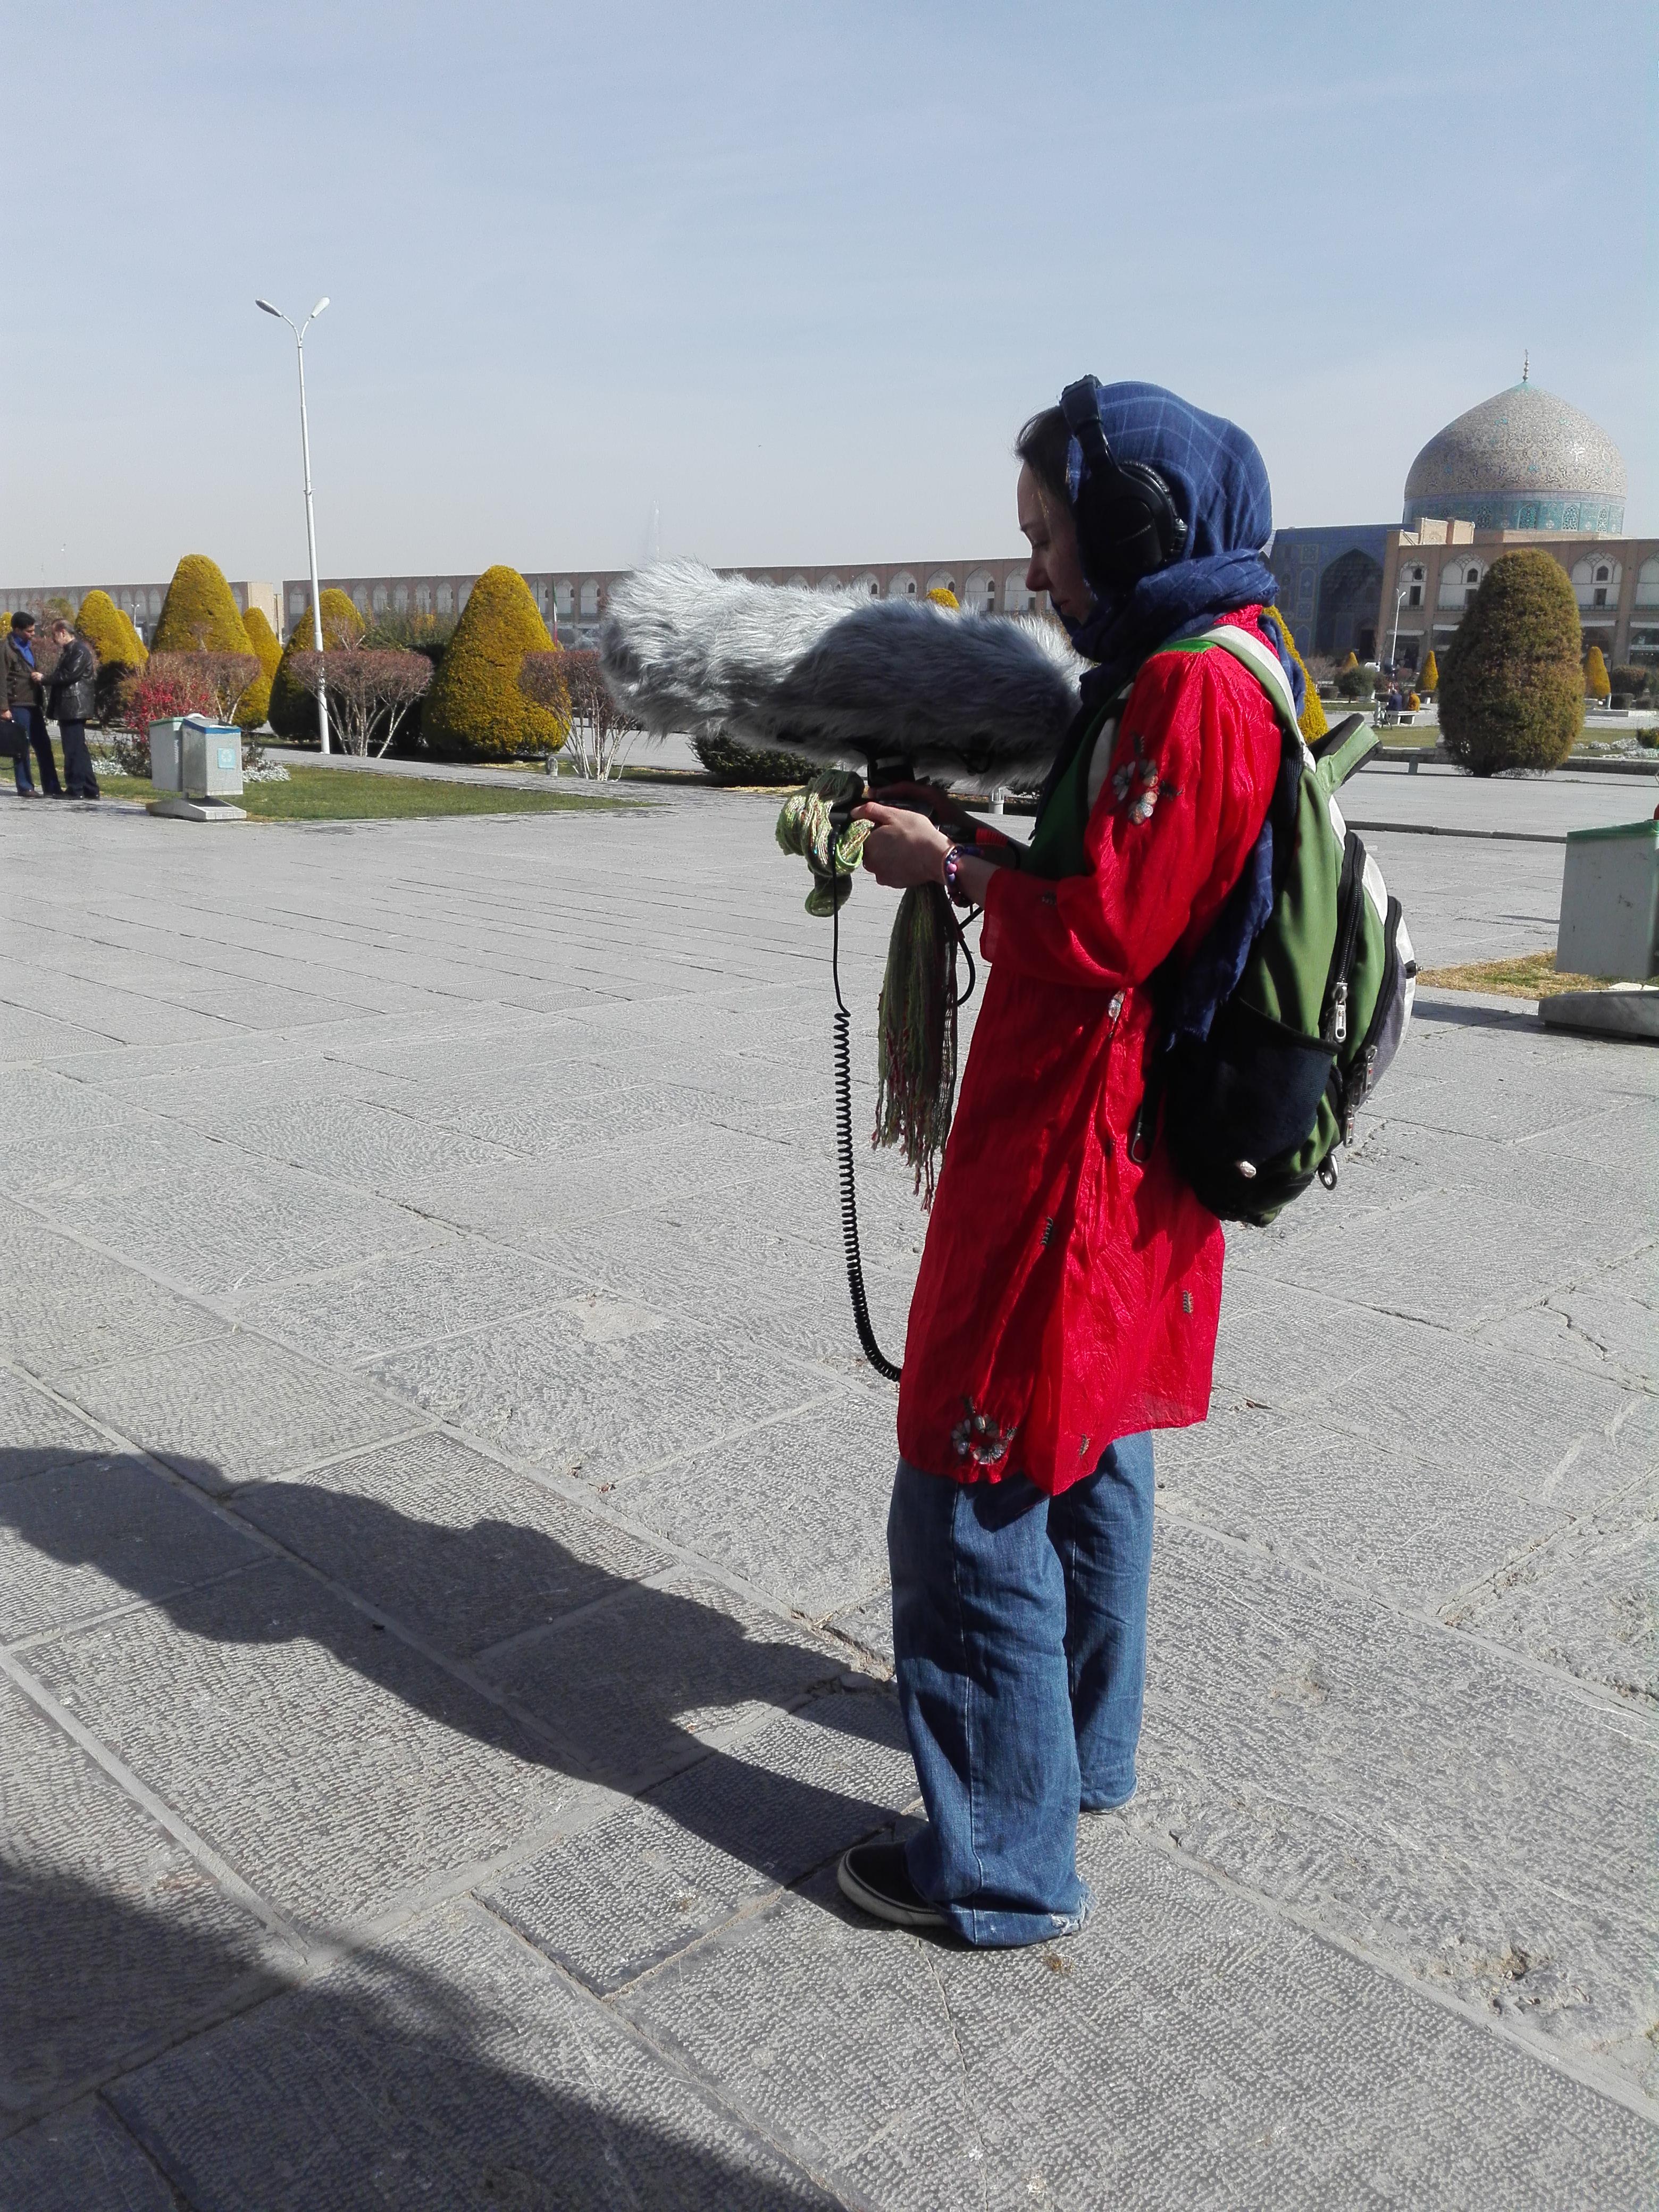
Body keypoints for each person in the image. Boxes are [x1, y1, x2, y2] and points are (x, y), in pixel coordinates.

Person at [836, 380, 1294, 1947]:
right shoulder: (1222, 666)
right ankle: (1080, 1758)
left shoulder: (1189, 691)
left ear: (1132, 527)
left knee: (968, 1483)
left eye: (1046, 536)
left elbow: (1103, 931)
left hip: (1075, 1155)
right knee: (1092, 1447)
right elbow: (1119, 878)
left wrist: (944, 867)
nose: (1033, 570)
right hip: (1127, 1147)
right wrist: (983, 839)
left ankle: (1001, 1864)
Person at [3, 610, 61, 795]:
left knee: (43, 745)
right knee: (21, 746)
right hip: (17, 704)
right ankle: (25, 786)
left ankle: (52, 787)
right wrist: (3, 708)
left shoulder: (30, 647)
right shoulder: (6, 650)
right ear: (17, 630)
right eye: (29, 631)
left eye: (34, 630)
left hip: (33, 703)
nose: (33, 634)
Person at [45, 617, 100, 799]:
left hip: (74, 707)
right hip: (70, 706)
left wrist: (44, 679)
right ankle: (90, 789)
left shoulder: (79, 651)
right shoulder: (70, 651)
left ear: (63, 632)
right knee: (79, 750)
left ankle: (75, 789)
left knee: (72, 750)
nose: (53, 639)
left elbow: (68, 676)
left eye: (54, 635)